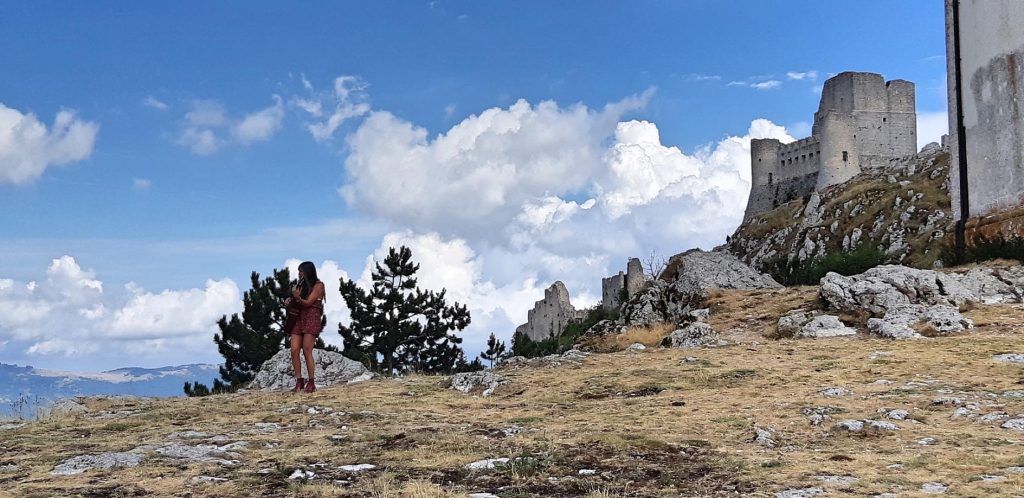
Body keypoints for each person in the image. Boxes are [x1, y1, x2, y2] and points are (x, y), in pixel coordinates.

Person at [287, 261, 325, 393]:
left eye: (301, 271)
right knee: (294, 350)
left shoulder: (319, 285)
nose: (299, 274)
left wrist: (297, 297)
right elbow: (298, 302)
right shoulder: (301, 286)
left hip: (311, 319)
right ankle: (299, 381)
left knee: (307, 350)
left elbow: (308, 302)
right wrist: (290, 301)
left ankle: (311, 382)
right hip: (299, 319)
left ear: (308, 271)